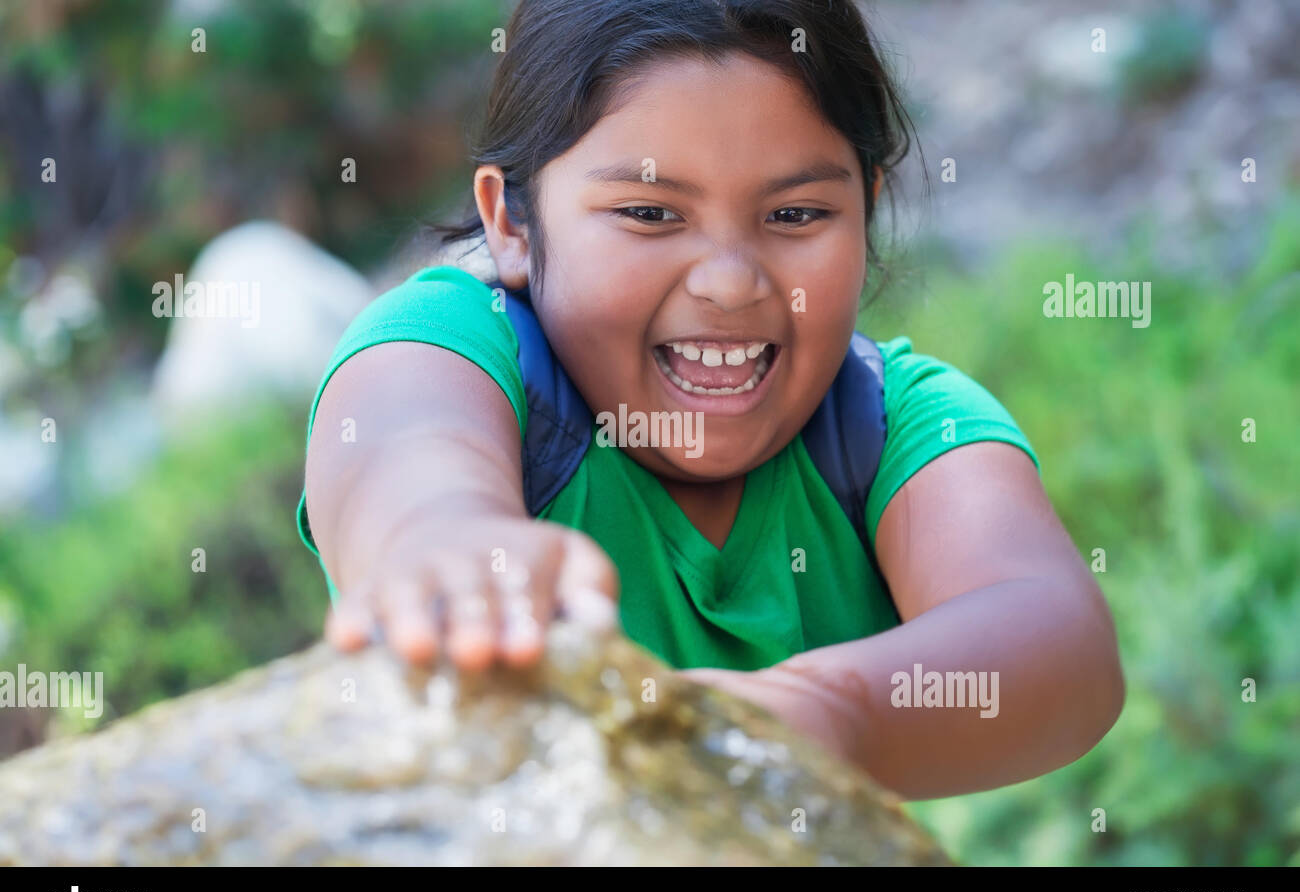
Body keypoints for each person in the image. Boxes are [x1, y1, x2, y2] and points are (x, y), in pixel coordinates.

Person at [297, 0, 1124, 800]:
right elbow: (401, 448)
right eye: (650, 213)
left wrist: (832, 712)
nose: (730, 283)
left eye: (796, 214)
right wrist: (441, 539)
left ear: (866, 211)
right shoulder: (460, 346)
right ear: (511, 223)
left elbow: (1061, 645)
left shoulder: (893, 426)